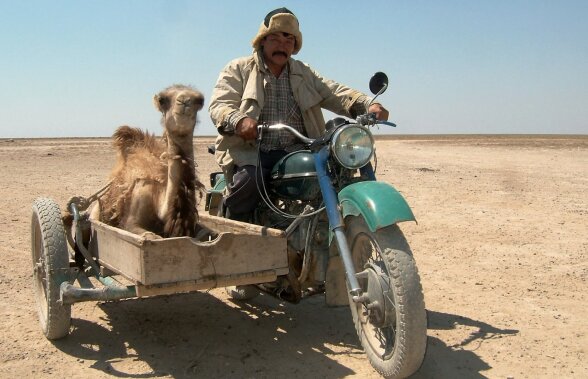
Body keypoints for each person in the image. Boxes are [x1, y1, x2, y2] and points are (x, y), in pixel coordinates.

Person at [209, 7, 389, 221]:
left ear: (294, 46)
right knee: (250, 180)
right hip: (255, 151)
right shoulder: (238, 68)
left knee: (337, 175)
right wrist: (239, 120)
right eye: (275, 39)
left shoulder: (303, 73)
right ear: (262, 41)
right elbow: (220, 105)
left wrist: (367, 104)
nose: (282, 46)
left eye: (288, 40)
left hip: (298, 150)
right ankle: (235, 233)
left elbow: (334, 92)